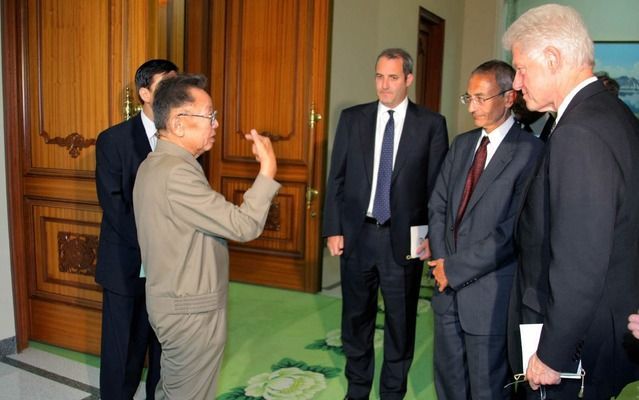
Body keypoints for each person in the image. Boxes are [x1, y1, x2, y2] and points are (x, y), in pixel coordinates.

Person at [503, 4, 639, 399]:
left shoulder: (579, 133)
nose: (517, 80)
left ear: (552, 58)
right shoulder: (612, 113)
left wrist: (552, 354)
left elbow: (580, 261)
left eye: (522, 68)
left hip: (575, 346)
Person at [133, 74, 280, 399]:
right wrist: (267, 171)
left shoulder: (155, 164)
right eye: (209, 115)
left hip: (174, 301)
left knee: (173, 389)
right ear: (179, 123)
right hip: (190, 311)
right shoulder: (177, 174)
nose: (215, 124)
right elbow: (243, 225)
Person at [323, 48, 449, 400]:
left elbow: (437, 190)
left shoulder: (431, 124)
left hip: (403, 241)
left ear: (408, 78)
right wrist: (334, 228)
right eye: (379, 76)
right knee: (355, 321)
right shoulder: (353, 119)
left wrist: (433, 239)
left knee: (400, 324)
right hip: (358, 235)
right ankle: (357, 390)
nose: (384, 84)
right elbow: (337, 178)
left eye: (392, 77)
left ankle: (392, 392)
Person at [427, 60, 543, 400]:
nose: (473, 106)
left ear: (508, 98)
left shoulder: (530, 153)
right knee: (448, 384)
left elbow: (513, 232)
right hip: (445, 290)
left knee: (487, 389)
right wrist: (442, 264)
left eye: (481, 97)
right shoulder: (462, 144)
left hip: (490, 296)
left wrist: (455, 268)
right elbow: (437, 206)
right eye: (469, 98)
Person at [95, 58, 177, 399]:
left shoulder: (181, 139)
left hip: (171, 268)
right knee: (123, 354)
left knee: (164, 352)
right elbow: (114, 204)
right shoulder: (113, 140)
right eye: (165, 86)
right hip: (127, 263)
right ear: (144, 93)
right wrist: (152, 245)